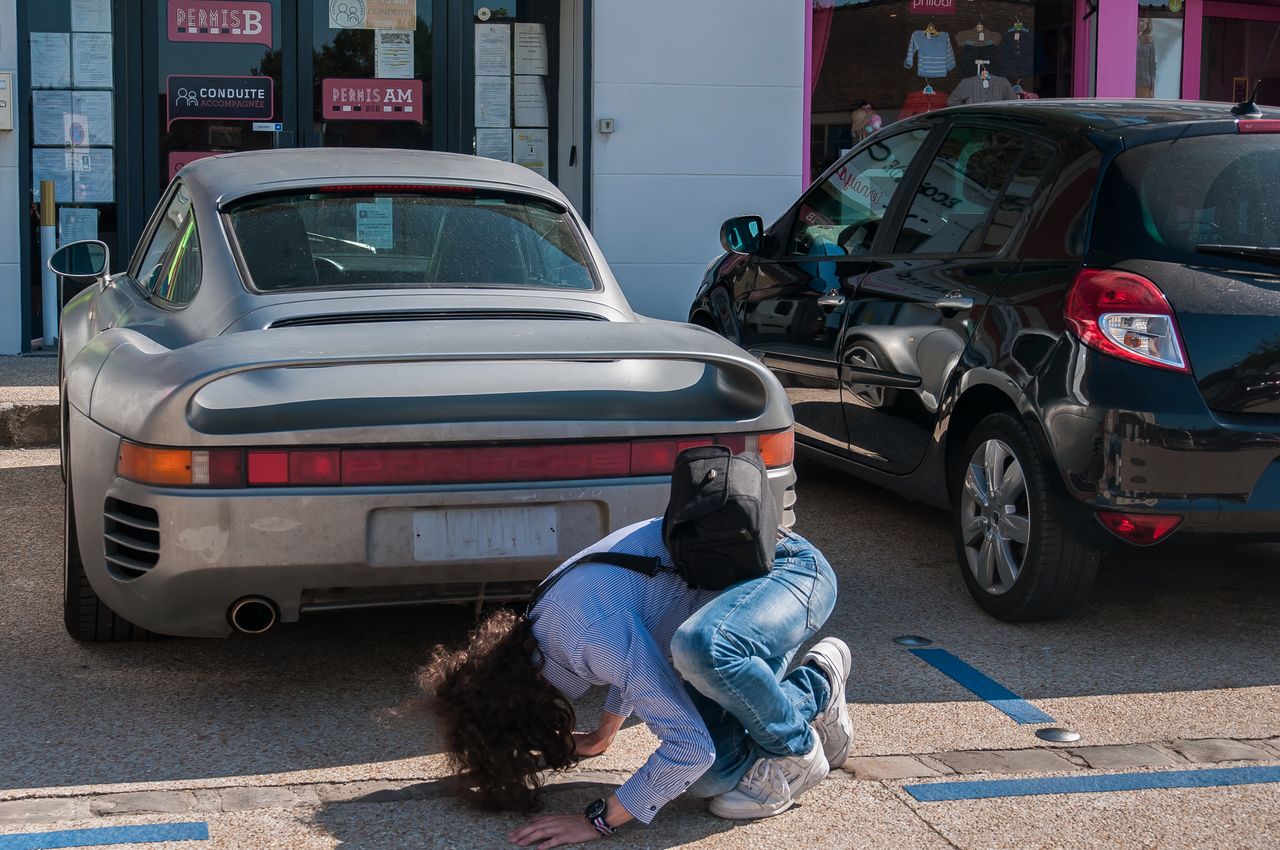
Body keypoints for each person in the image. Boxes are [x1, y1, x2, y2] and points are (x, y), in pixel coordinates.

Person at [419, 511, 851, 847]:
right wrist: (605, 733)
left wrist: (600, 819)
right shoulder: (538, 630)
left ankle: (804, 726)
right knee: (714, 776)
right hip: (738, 605)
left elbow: (688, 745)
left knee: (699, 650)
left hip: (788, 574)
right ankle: (804, 697)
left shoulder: (585, 635)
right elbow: (635, 653)